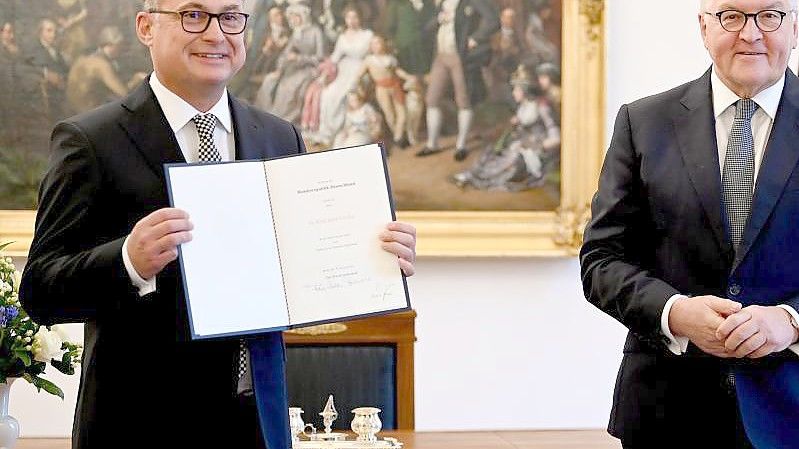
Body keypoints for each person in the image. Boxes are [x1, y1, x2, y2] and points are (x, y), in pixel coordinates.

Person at [19, 1, 417, 448]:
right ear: (146, 27)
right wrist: (128, 261)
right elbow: (40, 290)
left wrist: (373, 257)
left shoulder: (278, 136)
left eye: (230, 17)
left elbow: (298, 272)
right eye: (193, 15)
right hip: (140, 424)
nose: (215, 34)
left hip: (259, 421)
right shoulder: (90, 139)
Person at [580, 1, 799, 448]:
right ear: (704, 26)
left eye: (769, 15)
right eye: (732, 16)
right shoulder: (642, 123)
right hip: (666, 410)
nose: (751, 33)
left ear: (794, 27)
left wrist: (791, 321)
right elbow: (601, 260)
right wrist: (674, 312)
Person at [416, 0, 498, 161]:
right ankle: (432, 143)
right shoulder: (443, 2)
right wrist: (438, 20)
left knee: (463, 100)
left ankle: (461, 145)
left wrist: (476, 37)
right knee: (432, 99)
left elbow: (493, 20)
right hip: (440, 56)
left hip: (461, 58)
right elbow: (426, 29)